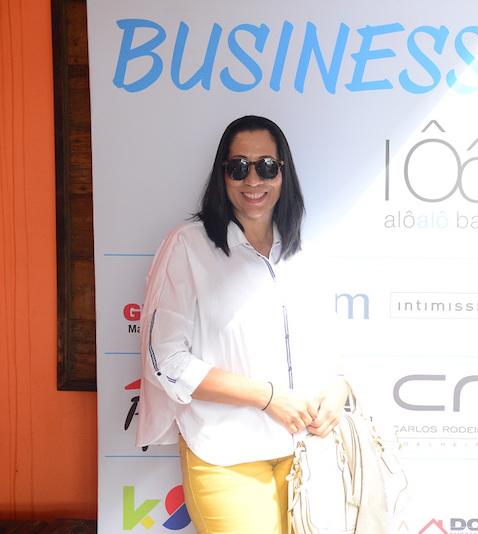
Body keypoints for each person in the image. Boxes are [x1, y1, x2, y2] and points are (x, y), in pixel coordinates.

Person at [135, 115, 349, 534]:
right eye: (239, 167)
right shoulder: (188, 245)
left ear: (283, 172)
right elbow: (165, 359)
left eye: (266, 166)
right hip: (226, 455)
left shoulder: (303, 252)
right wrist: (267, 398)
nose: (253, 179)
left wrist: (338, 389)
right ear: (223, 175)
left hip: (307, 452)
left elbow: (328, 348)